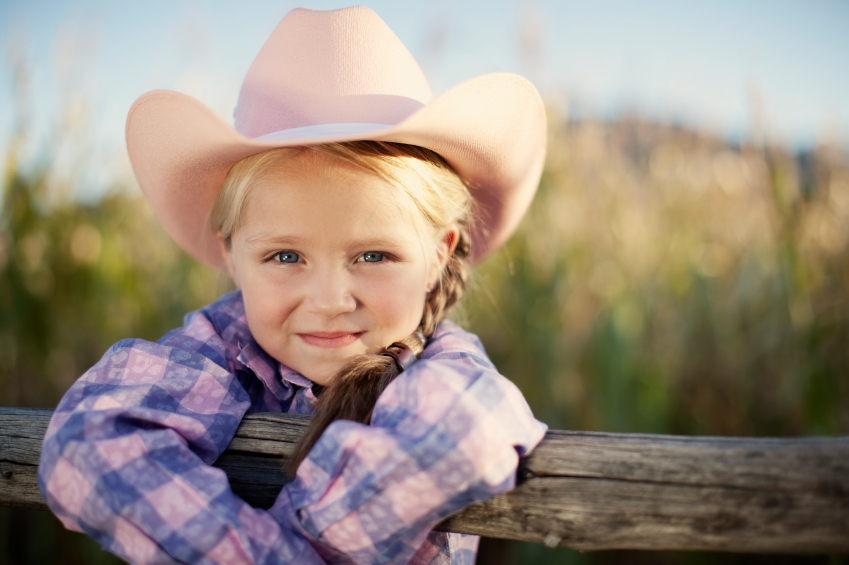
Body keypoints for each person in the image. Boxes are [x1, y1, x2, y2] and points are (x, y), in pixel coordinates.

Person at [38, 7, 547, 564]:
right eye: (286, 256)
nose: (330, 301)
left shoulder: (442, 373)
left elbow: (463, 429)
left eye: (374, 255)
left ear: (437, 257)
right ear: (232, 255)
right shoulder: (223, 346)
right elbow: (87, 446)